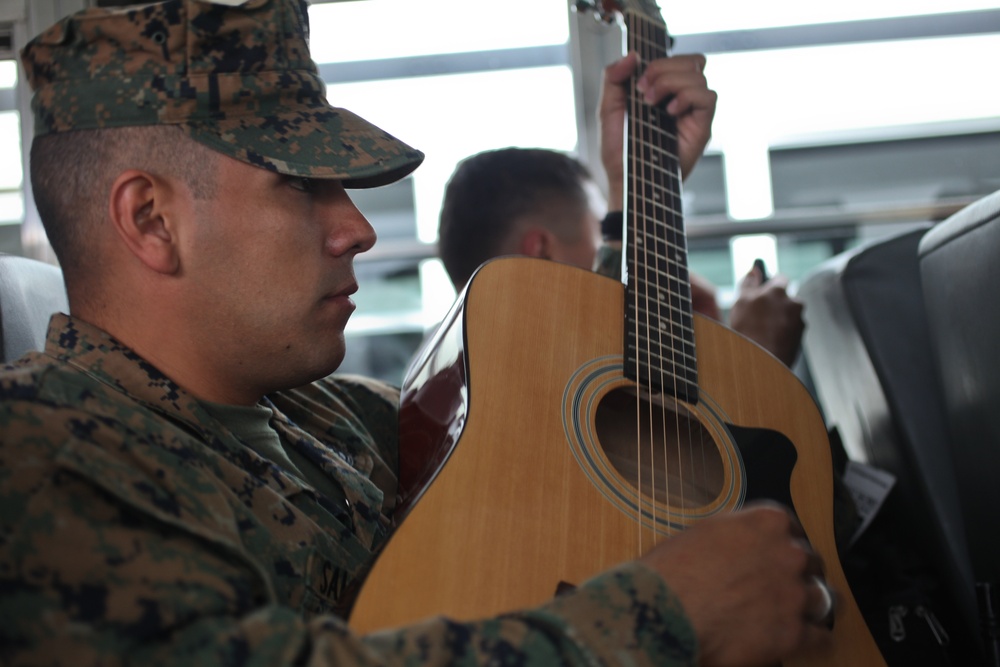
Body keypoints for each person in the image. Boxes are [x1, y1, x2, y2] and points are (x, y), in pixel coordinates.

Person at [0, 1, 833, 666]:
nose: (359, 229)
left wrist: (637, 201)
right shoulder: (43, 451)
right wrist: (668, 614)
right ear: (151, 219)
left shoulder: (327, 418)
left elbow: (546, 405)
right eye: (301, 186)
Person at [438, 54, 805, 367]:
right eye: (602, 237)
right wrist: (754, 361)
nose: (616, 257)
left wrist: (633, 181)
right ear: (541, 251)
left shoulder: (453, 375)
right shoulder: (522, 398)